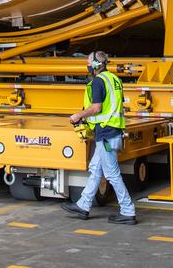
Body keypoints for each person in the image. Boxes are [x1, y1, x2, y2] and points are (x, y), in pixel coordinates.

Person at [61, 51, 137, 225]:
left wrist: (78, 115)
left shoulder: (97, 81)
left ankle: (128, 210)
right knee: (96, 168)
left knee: (112, 174)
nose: (87, 65)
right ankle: (83, 205)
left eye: (88, 62)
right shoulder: (114, 79)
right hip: (113, 130)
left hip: (106, 132)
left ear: (96, 64)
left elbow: (96, 107)